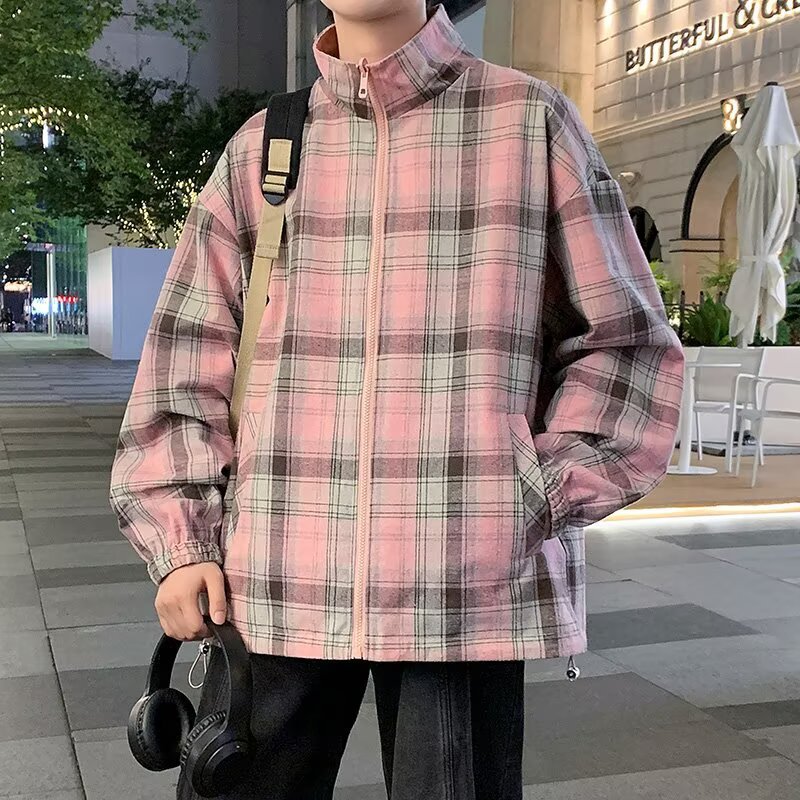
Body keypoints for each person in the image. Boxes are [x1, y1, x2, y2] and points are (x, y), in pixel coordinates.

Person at [109, 2, 684, 798]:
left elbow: (626, 345)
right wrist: (182, 539)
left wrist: (526, 495)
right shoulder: (267, 147)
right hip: (273, 569)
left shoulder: (529, 123)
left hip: (459, 582)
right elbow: (186, 355)